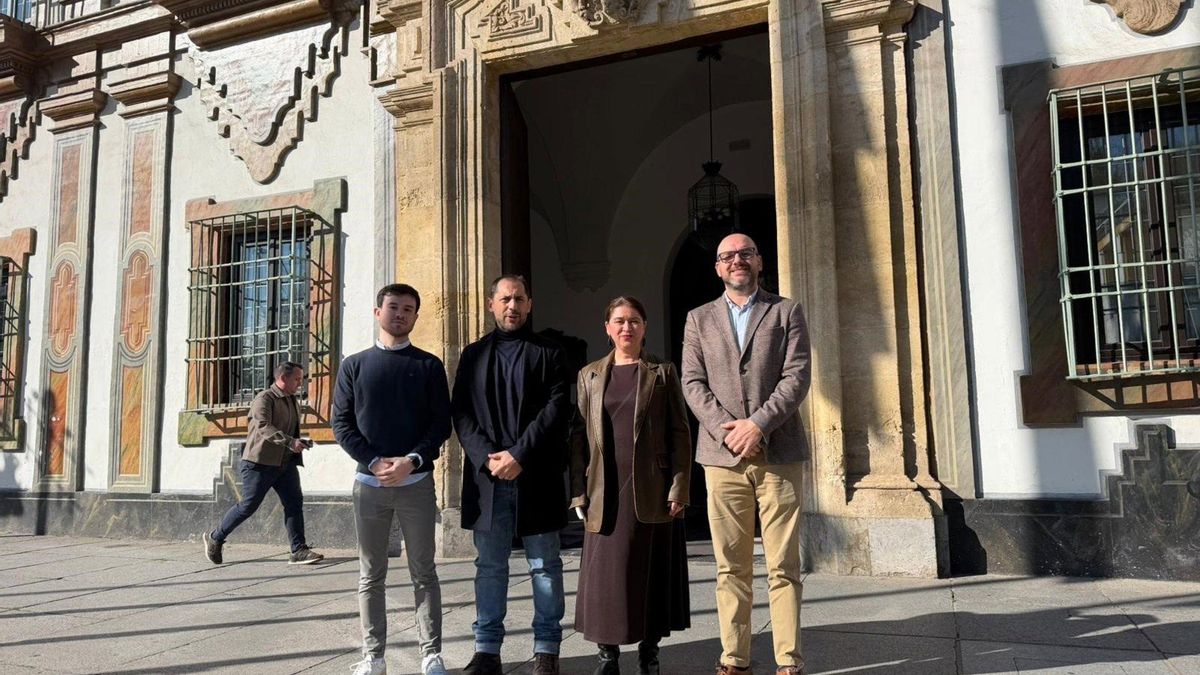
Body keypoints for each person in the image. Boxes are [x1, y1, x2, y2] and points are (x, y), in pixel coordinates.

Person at [681, 233, 812, 675]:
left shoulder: (786, 311)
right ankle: (734, 659)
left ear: (759, 262)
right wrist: (729, 431)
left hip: (779, 453)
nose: (737, 260)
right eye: (727, 256)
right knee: (730, 567)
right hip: (722, 458)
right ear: (718, 268)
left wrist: (758, 425)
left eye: (745, 253)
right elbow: (692, 383)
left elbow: (796, 376)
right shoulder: (698, 319)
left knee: (783, 565)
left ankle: (788, 660)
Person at [451, 274, 571, 675]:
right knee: (489, 566)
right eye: (505, 299)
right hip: (489, 479)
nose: (512, 306)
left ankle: (546, 649)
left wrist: (519, 454)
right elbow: (461, 413)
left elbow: (556, 409)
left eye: (519, 299)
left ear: (530, 304)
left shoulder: (550, 353)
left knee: (545, 565)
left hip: (535, 474)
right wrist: (489, 457)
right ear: (491, 304)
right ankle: (487, 651)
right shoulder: (472, 355)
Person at [332, 284, 452, 675]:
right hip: (369, 487)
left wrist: (413, 461)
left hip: (416, 485)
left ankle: (431, 654)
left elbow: (440, 424)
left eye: (409, 309)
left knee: (424, 571)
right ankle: (374, 657)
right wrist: (373, 461)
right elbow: (341, 423)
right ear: (377, 311)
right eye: (394, 307)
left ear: (416, 316)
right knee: (371, 574)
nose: (400, 314)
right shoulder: (354, 365)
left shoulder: (429, 366)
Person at [569, 296, 691, 675]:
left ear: (644, 327)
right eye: (619, 321)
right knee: (607, 575)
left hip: (652, 488)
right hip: (604, 490)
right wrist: (578, 490)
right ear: (607, 328)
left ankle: (649, 653)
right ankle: (608, 656)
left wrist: (679, 488)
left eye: (634, 320)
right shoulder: (588, 375)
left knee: (649, 571)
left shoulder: (663, 372)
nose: (627, 327)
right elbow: (578, 439)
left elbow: (680, 433)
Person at [203, 361, 323, 566]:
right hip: (259, 463)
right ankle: (216, 537)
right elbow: (262, 427)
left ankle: (298, 550)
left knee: (294, 503)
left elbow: (290, 430)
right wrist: (289, 442)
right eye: (297, 379)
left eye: (301, 379)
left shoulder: (292, 399)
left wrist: (298, 442)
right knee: (248, 506)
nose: (300, 383)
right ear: (282, 378)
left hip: (285, 463)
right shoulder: (264, 398)